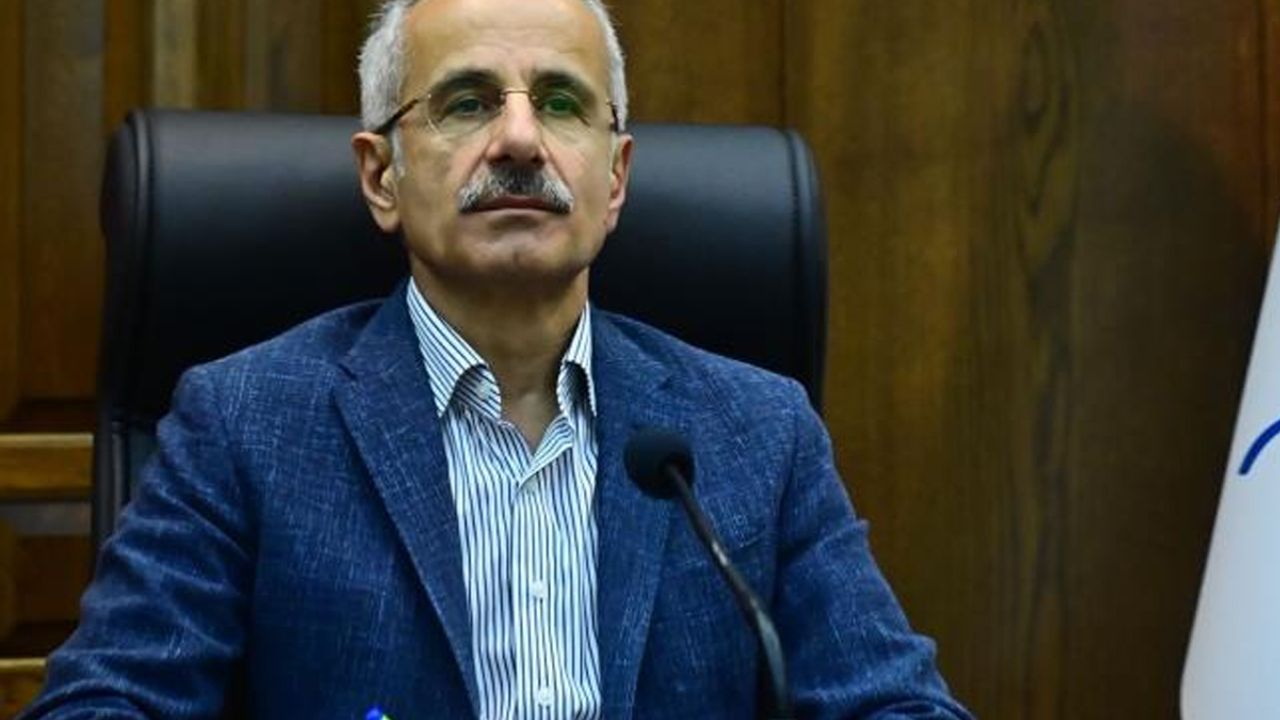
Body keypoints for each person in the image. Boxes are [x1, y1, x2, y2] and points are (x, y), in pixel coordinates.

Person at [22, 0, 972, 718]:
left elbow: (895, 704)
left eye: (561, 103)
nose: (519, 139)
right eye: (468, 102)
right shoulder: (245, 424)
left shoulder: (758, 433)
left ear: (615, 179)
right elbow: (104, 704)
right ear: (381, 176)